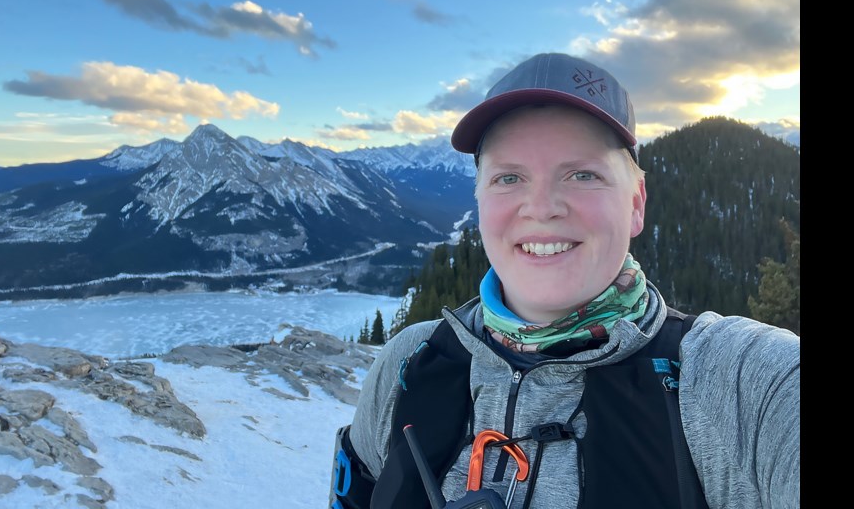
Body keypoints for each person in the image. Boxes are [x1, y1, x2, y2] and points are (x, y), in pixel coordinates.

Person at [329, 53, 799, 509]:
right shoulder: (407, 365)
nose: (542, 207)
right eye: (509, 178)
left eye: (581, 173)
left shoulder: (737, 382)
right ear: (478, 200)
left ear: (636, 203)